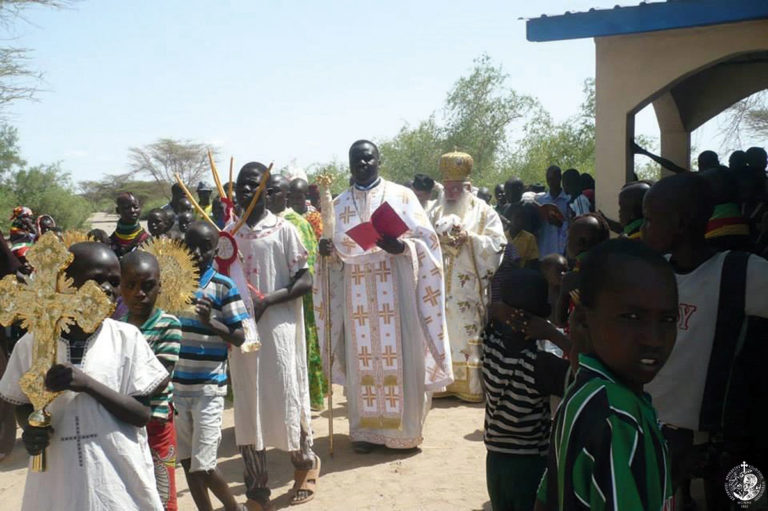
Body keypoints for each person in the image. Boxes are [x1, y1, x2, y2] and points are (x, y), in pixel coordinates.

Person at [0, 241, 169, 510]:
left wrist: (87, 384)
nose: (107, 289)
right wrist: (31, 427)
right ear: (65, 283)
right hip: (57, 478)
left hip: (116, 477)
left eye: (114, 282)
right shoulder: (33, 344)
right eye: (96, 279)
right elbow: (22, 404)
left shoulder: (126, 338)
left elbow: (141, 415)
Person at [315, 140, 453, 453]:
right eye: (356, 160)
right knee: (361, 359)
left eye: (367, 159)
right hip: (358, 297)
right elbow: (332, 257)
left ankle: (403, 431)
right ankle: (365, 432)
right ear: (349, 164)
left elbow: (429, 243)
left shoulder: (401, 196)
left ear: (378, 160)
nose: (362, 164)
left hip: (397, 288)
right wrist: (326, 253)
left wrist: (403, 247)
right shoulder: (336, 205)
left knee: (400, 355)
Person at [641, 172, 768, 509]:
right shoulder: (652, 275)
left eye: (651, 220)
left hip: (720, 454)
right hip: (656, 442)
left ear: (681, 224)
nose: (643, 229)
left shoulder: (741, 273)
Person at [536, 239, 677, 511]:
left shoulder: (585, 395)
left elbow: (547, 497)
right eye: (632, 317)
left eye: (668, 320)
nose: (654, 339)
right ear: (583, 322)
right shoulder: (616, 414)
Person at [229, 163, 319, 509]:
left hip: (278, 329)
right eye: (241, 186)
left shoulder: (283, 230)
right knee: (248, 407)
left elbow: (305, 280)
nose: (246, 192)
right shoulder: (227, 232)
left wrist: (268, 300)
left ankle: (305, 464)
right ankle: (256, 489)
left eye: (253, 185)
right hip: (243, 335)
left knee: (285, 397)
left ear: (266, 190)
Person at [175, 221, 248, 511]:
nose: (196, 252)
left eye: (204, 246)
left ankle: (235, 508)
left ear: (216, 249)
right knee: (187, 461)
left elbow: (241, 337)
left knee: (204, 465)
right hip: (176, 387)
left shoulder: (223, 285)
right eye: (190, 245)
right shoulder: (173, 285)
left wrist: (211, 323)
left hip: (208, 387)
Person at [483, 269, 571, 511]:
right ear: (541, 317)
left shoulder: (490, 347)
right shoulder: (541, 364)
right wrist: (552, 333)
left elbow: (484, 315)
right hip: (530, 465)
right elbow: (588, 369)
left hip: (495, 461)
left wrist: (499, 311)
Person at [429, 151, 505, 403]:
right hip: (437, 287)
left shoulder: (484, 212)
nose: (451, 192)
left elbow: (497, 244)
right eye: (448, 187)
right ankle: (441, 384)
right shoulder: (433, 210)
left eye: (457, 188)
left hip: (468, 288)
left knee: (467, 332)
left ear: (468, 186)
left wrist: (469, 238)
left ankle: (469, 387)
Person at [120, 250, 182, 511]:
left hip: (155, 423)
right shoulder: (116, 327)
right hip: (123, 423)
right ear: (120, 287)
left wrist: (115, 392)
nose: (139, 293)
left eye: (147, 286)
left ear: (160, 286)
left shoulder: (169, 324)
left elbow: (157, 377)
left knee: (163, 494)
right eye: (130, 286)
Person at [267, 173, 327, 411]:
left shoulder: (298, 223)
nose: (270, 197)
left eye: (275, 191)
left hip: (295, 296)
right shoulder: (261, 222)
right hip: (269, 298)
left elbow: (309, 266)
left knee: (300, 349)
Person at [553, 214, 611, 328]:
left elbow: (561, 321)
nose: (567, 242)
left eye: (569, 238)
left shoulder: (571, 278)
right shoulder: (612, 269)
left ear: (581, 243)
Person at [536, 165, 570, 259]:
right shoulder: (540, 200)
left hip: (561, 249)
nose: (551, 182)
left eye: (553, 179)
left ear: (560, 178)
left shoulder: (567, 200)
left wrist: (561, 224)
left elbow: (572, 225)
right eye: (549, 179)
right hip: (544, 249)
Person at [110, 192, 150, 258]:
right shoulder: (109, 242)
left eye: (136, 207)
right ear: (118, 210)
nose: (132, 210)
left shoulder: (148, 241)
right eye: (127, 208)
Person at [504, 202, 539, 269]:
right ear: (510, 218)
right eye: (517, 217)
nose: (520, 221)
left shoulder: (530, 238)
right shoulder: (502, 237)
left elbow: (532, 261)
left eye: (523, 218)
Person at [539, 254, 567, 322]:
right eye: (559, 270)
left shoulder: (567, 293)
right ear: (546, 271)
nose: (563, 273)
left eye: (565, 270)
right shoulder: (539, 294)